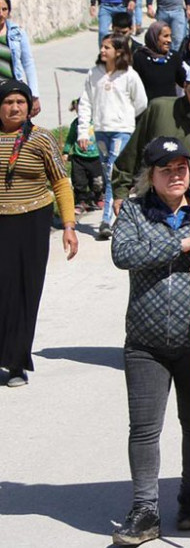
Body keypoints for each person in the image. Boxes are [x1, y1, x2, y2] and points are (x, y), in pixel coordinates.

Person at [110, 137, 190, 545]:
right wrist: (180, 244)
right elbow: (123, 253)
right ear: (150, 175)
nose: (176, 174)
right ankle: (145, 508)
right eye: (166, 168)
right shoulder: (134, 210)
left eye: (182, 167)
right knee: (144, 430)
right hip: (145, 343)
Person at [0, 80, 78, 388]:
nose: (15, 107)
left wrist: (69, 227)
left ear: (29, 106)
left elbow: (61, 182)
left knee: (24, 290)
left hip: (32, 220)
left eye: (20, 101)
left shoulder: (41, 139)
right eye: (8, 102)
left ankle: (17, 362)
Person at [112, 65, 190, 203]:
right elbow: (131, 155)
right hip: (151, 198)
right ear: (184, 86)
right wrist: (120, 194)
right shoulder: (158, 109)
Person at [79, 35, 148, 239]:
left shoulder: (129, 75)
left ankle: (107, 220)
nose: (103, 50)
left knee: (113, 175)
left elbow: (141, 102)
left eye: (107, 47)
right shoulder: (94, 74)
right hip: (101, 130)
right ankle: (121, 216)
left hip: (121, 130)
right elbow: (86, 102)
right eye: (101, 46)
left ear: (118, 51)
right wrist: (84, 130)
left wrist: (124, 119)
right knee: (108, 174)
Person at [0, 0, 41, 117]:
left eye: (4, 9)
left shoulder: (17, 33)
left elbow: (28, 63)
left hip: (12, 93)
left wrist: (34, 95)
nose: (0, 14)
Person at [63, 99, 104, 214]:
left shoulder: (97, 122)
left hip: (96, 157)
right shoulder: (76, 124)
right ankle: (81, 201)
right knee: (79, 182)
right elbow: (70, 138)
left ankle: (98, 197)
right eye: (78, 110)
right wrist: (66, 152)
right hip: (79, 158)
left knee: (98, 181)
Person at [132, 23, 182, 102]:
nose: (169, 40)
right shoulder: (140, 57)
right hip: (147, 108)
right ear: (154, 37)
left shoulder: (174, 57)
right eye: (165, 36)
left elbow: (183, 82)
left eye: (170, 36)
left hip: (169, 108)